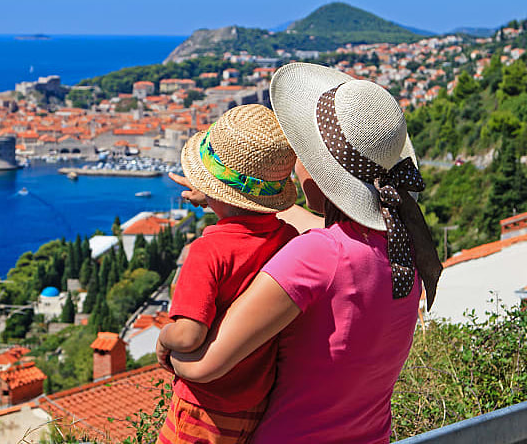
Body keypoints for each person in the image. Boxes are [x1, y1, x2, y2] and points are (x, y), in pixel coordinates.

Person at [165, 63, 442, 443]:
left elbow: (205, 366)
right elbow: (308, 228)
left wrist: (168, 352)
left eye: (302, 149)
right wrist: (221, 194)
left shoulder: (317, 256)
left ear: (319, 170)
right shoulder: (402, 241)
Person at [156, 104, 299, 444]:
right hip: (255, 403)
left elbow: (189, 335)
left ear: (211, 190)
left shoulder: (208, 251)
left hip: (201, 407)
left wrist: (163, 339)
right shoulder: (288, 241)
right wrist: (212, 194)